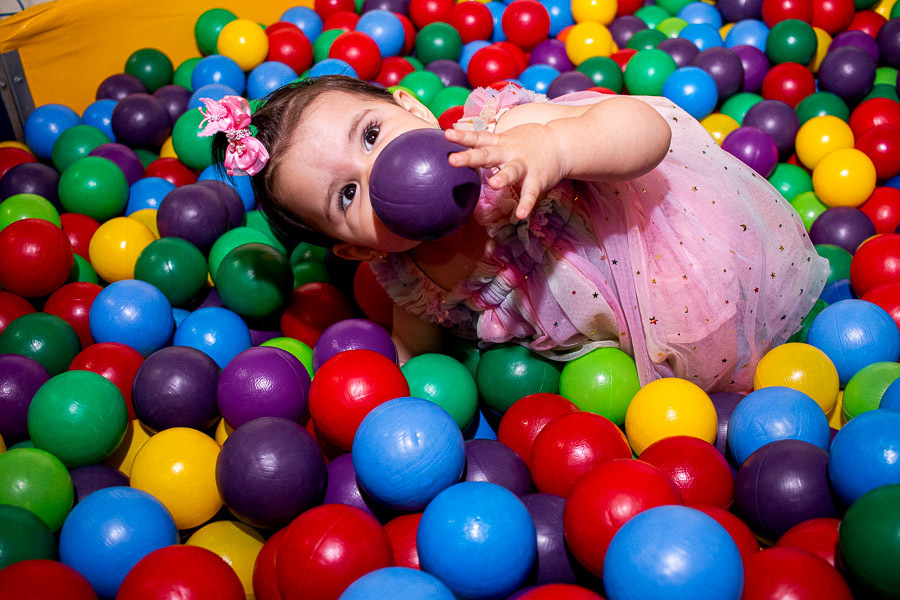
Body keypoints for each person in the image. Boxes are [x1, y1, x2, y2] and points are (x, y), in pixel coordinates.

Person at [201, 75, 828, 392]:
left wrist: (558, 145)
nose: (381, 172)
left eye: (371, 135)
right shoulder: (405, 272)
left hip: (668, 267)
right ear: (359, 249)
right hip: (606, 357)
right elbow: (415, 338)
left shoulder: (510, 137)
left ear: (413, 109)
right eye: (347, 195)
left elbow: (648, 133)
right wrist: (402, 383)